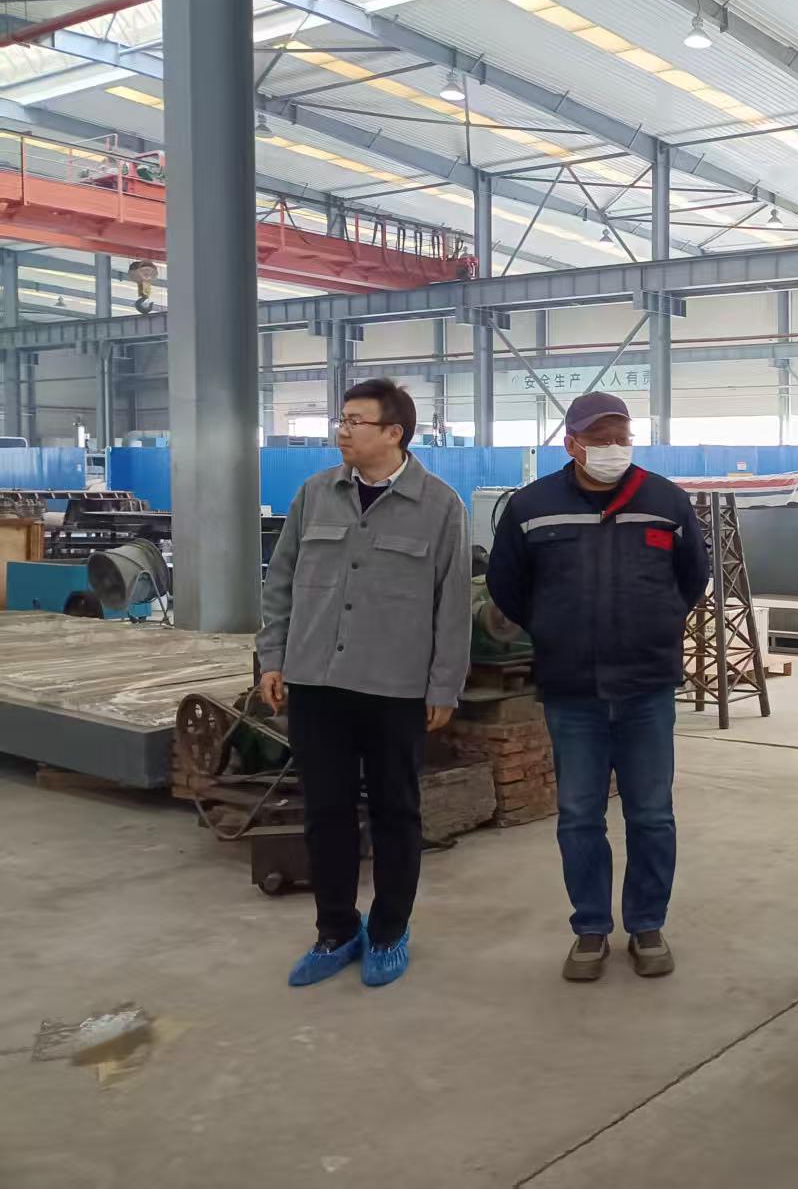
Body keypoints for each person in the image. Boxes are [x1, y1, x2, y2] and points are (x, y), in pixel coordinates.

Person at [486, 392, 709, 982]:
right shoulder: (532, 506)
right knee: (580, 815)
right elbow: (508, 586)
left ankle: (647, 925)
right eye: (599, 438)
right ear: (572, 444)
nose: (613, 447)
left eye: (621, 437)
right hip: (572, 689)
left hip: (646, 685)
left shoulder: (665, 501)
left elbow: (692, 579)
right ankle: (590, 928)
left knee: (652, 814)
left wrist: (653, 625)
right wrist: (555, 628)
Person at [258, 378, 471, 989]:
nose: (342, 431)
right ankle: (335, 930)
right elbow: (280, 581)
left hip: (394, 688)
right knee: (324, 812)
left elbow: (453, 606)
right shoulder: (314, 495)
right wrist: (272, 657)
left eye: (356, 421)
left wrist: (444, 686)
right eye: (342, 420)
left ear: (394, 432)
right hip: (316, 682)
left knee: (395, 812)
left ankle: (389, 930)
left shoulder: (440, 506)